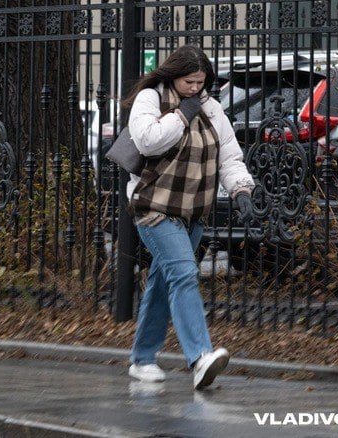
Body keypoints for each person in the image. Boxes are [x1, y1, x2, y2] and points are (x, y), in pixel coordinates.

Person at [122, 44, 255, 390]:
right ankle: (200, 357)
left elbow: (229, 153)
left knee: (164, 283)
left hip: (192, 212)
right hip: (153, 206)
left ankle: (142, 358)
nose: (195, 88)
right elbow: (148, 141)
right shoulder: (151, 98)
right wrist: (182, 113)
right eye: (189, 82)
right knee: (183, 272)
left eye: (201, 82)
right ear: (173, 76)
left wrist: (241, 189)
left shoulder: (210, 107)